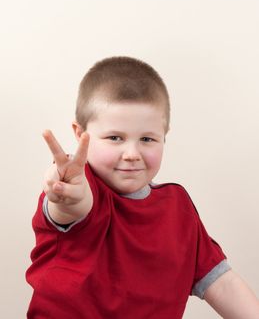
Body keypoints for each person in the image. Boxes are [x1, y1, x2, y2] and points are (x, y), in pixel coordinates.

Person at [26, 56, 259, 318]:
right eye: (115, 138)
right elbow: (72, 207)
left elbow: (223, 284)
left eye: (147, 139)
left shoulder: (177, 208)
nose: (132, 153)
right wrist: (66, 191)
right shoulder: (81, 188)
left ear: (164, 137)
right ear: (80, 135)